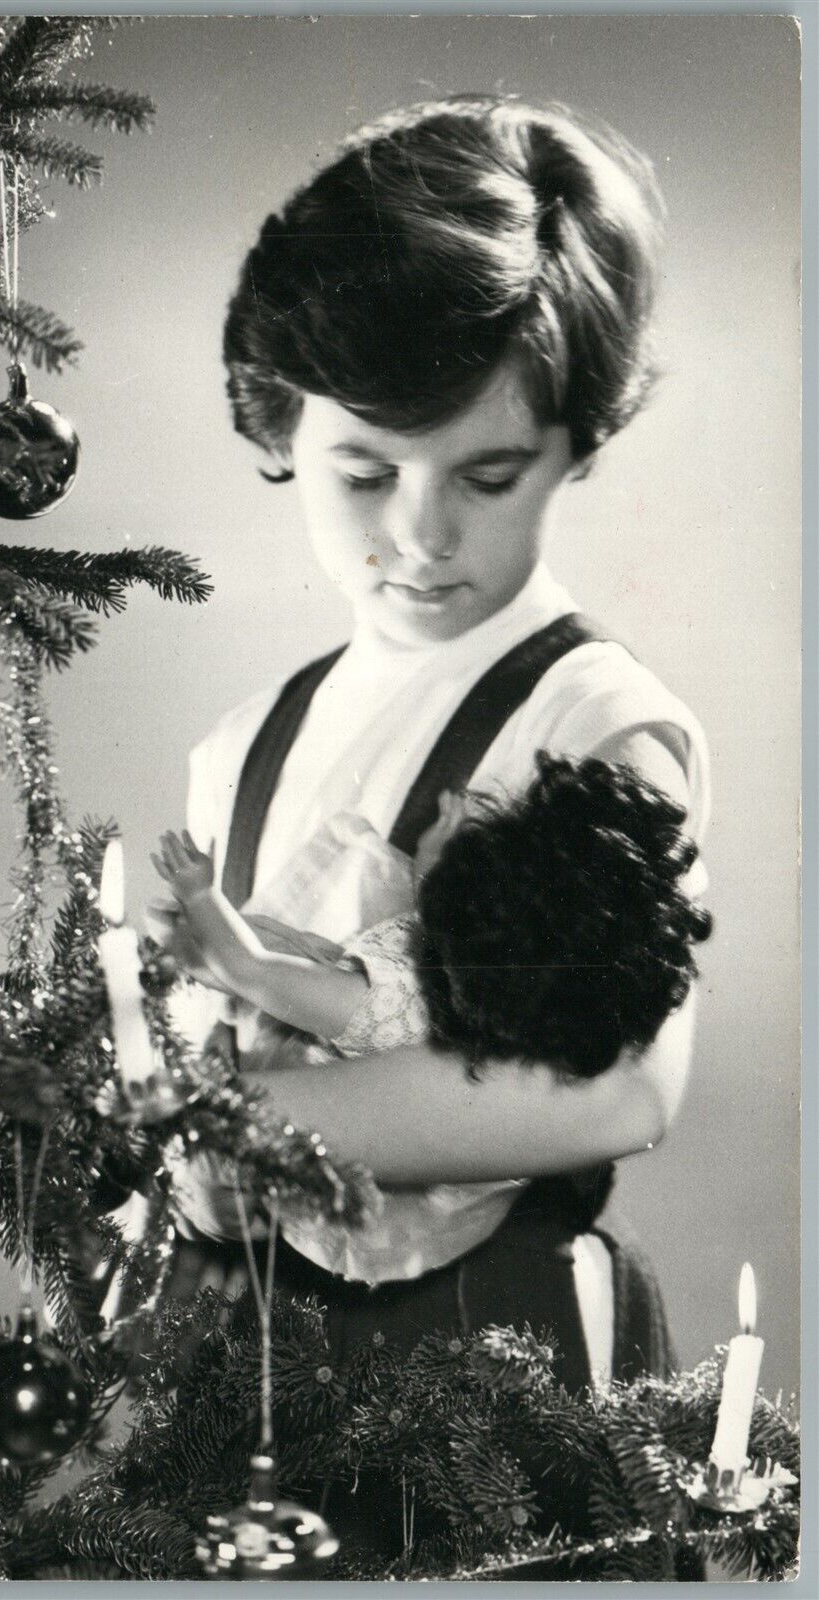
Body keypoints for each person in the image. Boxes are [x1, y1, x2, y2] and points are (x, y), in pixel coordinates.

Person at [152, 93, 711, 1399]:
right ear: (280, 422)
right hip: (244, 1358)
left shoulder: (595, 719)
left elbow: (612, 1092)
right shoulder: (241, 748)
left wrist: (237, 1124)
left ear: (576, 439)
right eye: (366, 473)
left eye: (487, 474)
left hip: (493, 1365)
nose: (421, 536)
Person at [153, 754, 710, 1287]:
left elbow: (251, 969)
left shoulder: (379, 1002)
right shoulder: (508, 994)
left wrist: (200, 894)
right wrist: (439, 855)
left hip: (321, 1170)